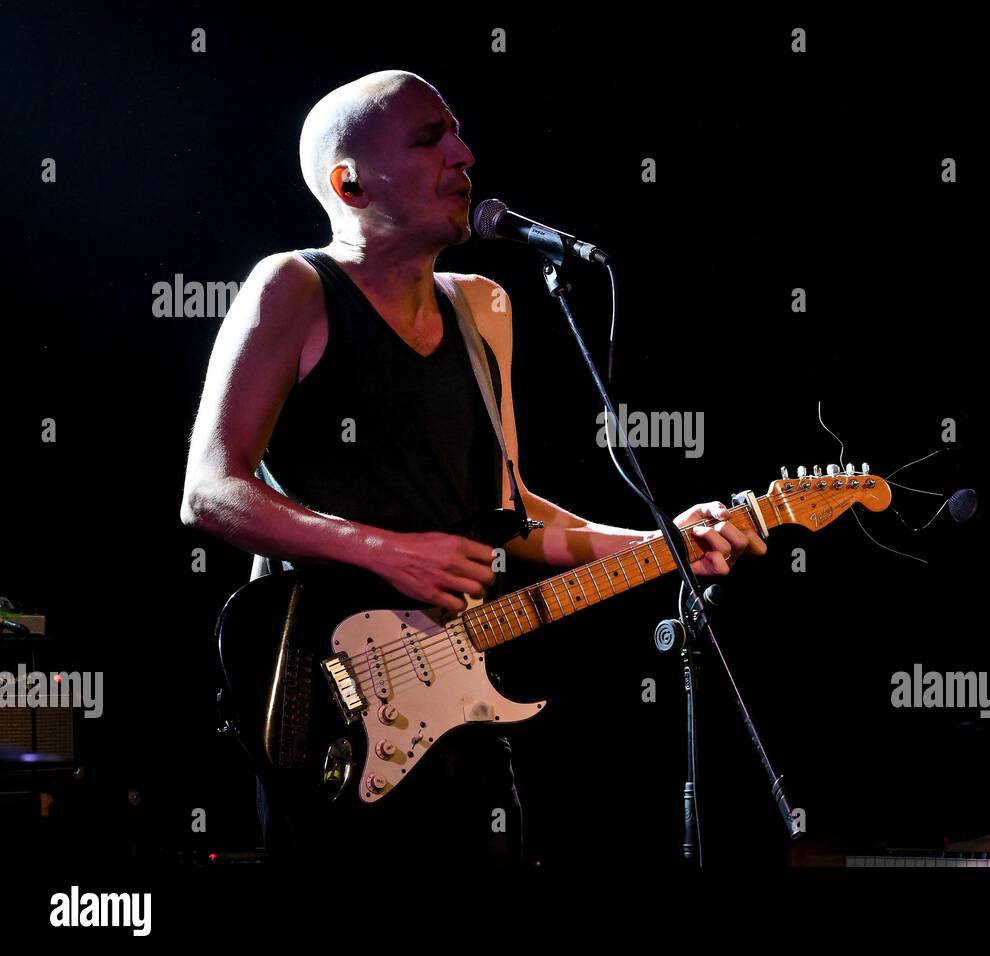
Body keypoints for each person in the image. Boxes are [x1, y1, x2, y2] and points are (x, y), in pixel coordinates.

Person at [180, 70, 766, 864]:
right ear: (348, 182)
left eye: (456, 133)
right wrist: (389, 551)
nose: (465, 154)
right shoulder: (293, 287)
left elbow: (513, 516)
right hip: (330, 701)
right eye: (430, 139)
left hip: (457, 705)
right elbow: (211, 492)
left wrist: (660, 542)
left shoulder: (484, 306)